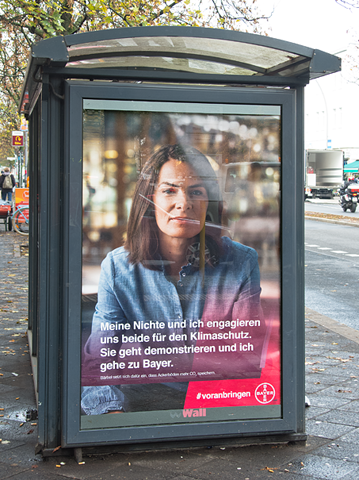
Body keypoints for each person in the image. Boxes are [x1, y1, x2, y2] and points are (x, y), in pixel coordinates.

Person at [81, 145, 267, 415]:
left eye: (196, 192)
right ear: (149, 198)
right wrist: (111, 416)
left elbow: (247, 351)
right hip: (143, 395)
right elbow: (100, 358)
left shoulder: (240, 262)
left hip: (216, 395)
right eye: (169, 190)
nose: (184, 203)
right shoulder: (117, 267)